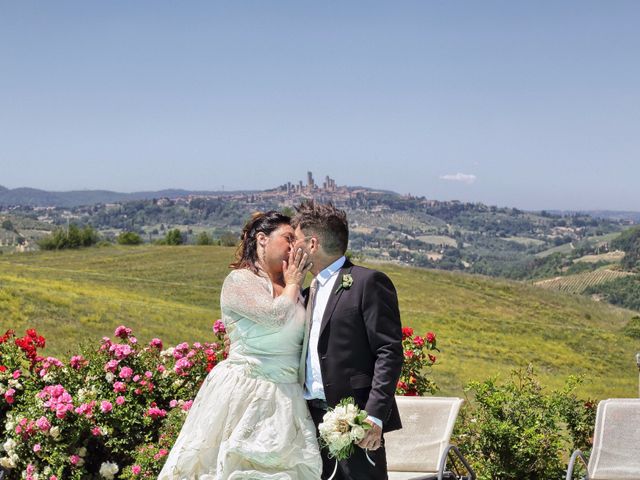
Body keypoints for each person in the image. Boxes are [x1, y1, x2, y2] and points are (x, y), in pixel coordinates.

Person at [158, 211, 322, 480]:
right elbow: (275, 318)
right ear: (262, 239)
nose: (294, 246)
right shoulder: (239, 281)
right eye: (287, 238)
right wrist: (294, 282)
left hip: (288, 398)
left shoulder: (293, 286)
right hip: (245, 393)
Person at [292, 201, 403, 480]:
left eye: (295, 241)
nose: (291, 249)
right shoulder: (305, 294)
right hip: (308, 420)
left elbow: (389, 351)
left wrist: (374, 416)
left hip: (356, 423)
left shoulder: (367, 282)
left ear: (312, 244)